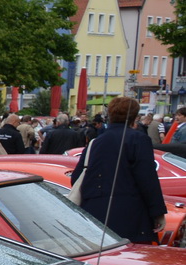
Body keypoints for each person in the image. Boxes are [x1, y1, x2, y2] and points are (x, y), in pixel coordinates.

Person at [71, 96, 166, 244]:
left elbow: (76, 177)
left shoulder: (95, 143)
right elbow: (147, 179)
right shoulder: (138, 140)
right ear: (134, 116)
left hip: (94, 215)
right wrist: (157, 212)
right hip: (129, 214)